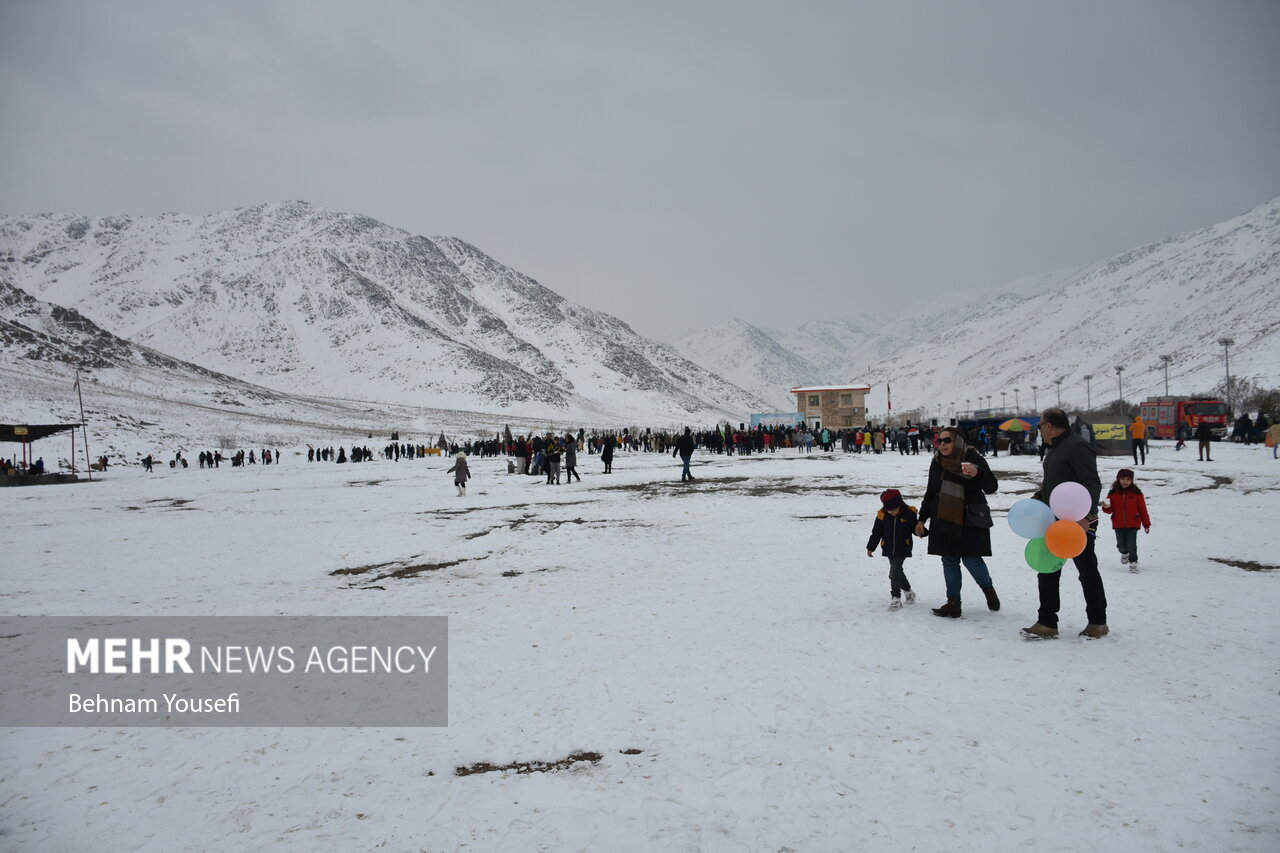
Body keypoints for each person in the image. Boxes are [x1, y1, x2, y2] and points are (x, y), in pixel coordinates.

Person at [1022, 407, 1107, 639]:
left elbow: (1092, 483)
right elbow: (1051, 486)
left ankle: (1098, 622)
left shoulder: (1077, 446)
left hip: (1078, 524)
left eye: (1040, 425)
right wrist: (1034, 503)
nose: (1039, 430)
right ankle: (1047, 622)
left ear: (1049, 426)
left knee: (1087, 570)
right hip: (1053, 522)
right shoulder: (1053, 450)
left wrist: (1085, 516)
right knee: (1047, 570)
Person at [916, 426, 1000, 618]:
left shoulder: (974, 459)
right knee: (949, 559)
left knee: (971, 559)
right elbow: (931, 492)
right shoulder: (937, 462)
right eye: (940, 440)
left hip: (969, 518)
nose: (942, 444)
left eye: (947, 440)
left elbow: (992, 487)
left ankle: (988, 589)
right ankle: (953, 602)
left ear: (959, 441)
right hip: (943, 517)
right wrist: (922, 518)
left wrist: (977, 473)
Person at [866, 489, 918, 610]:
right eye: (889, 510)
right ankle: (909, 592)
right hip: (888, 547)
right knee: (898, 571)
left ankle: (896, 598)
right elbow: (876, 532)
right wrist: (870, 547)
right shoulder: (882, 515)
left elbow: (915, 529)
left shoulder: (909, 514)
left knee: (893, 573)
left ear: (900, 504)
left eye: (894, 510)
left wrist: (922, 532)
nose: (892, 512)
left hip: (903, 548)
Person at [1102, 468, 1151, 573]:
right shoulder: (1113, 493)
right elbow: (1109, 510)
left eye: (1128, 479)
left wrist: (1146, 524)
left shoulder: (1136, 493)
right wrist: (1105, 507)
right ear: (1118, 479)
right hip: (1118, 524)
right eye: (1123, 479)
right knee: (1121, 545)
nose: (1125, 482)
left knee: (1132, 544)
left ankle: (1133, 562)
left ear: (1132, 481)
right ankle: (1124, 553)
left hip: (1133, 524)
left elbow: (1143, 510)